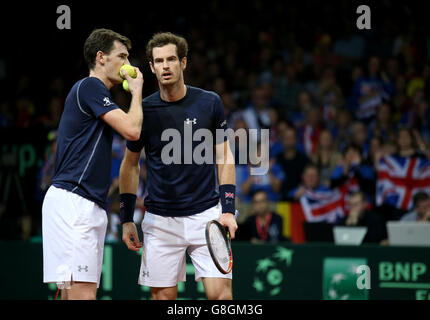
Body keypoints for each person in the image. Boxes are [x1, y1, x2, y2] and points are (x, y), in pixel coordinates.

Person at [119, 32, 237, 300]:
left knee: (221, 297)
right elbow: (130, 166)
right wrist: (127, 217)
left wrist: (228, 210)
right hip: (160, 221)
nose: (165, 66)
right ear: (151, 67)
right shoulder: (143, 110)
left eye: (171, 59)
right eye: (159, 61)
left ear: (183, 63)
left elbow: (225, 157)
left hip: (206, 215)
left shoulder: (210, 102)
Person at [42, 28, 144, 300]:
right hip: (75, 203)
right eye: (121, 56)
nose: (127, 65)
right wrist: (137, 92)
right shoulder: (90, 87)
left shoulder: (96, 94)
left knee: (73, 294)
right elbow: (133, 131)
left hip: (82, 203)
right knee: (83, 296)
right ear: (101, 57)